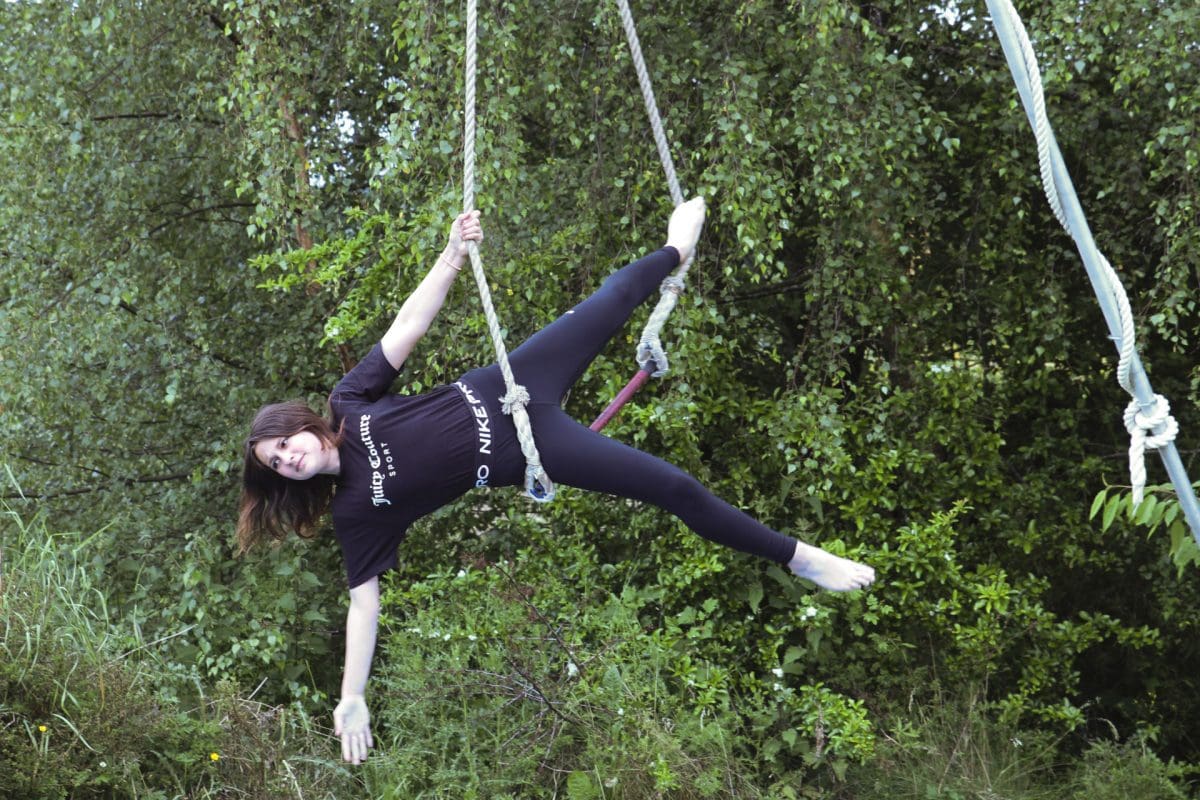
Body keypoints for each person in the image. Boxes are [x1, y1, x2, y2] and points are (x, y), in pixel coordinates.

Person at [238, 198, 875, 765]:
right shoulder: (357, 511)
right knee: (677, 489)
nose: (287, 459)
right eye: (276, 463)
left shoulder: (350, 401)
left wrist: (453, 255)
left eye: (285, 444)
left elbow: (408, 326)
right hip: (531, 446)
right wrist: (352, 697)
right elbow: (363, 604)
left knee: (613, 298)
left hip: (512, 381)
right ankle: (799, 558)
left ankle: (677, 245)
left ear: (302, 425)